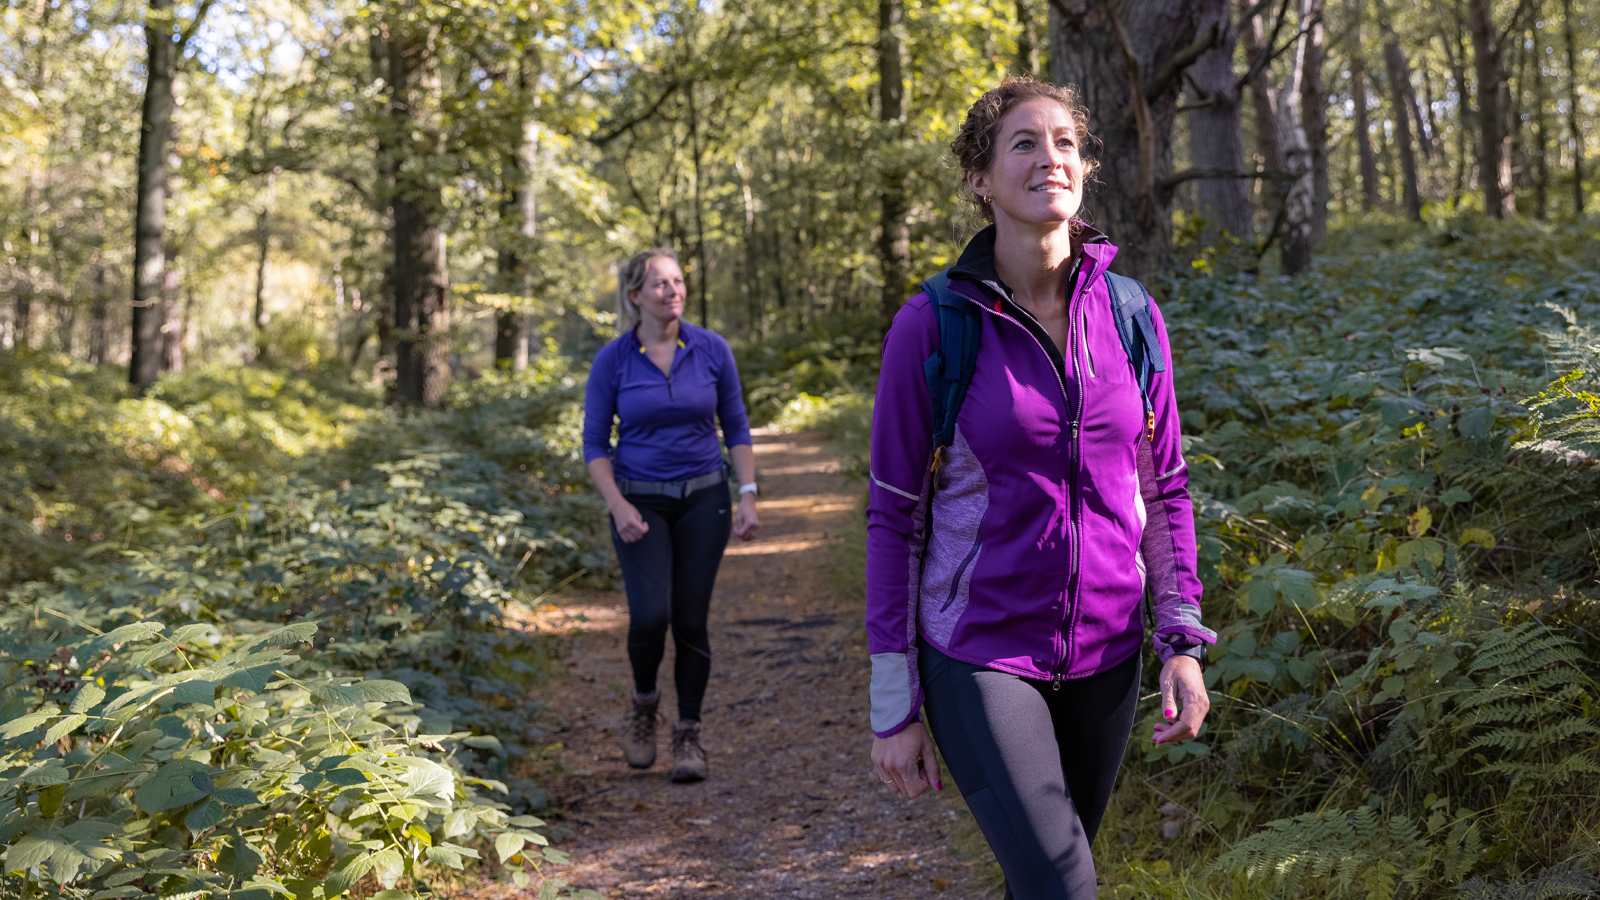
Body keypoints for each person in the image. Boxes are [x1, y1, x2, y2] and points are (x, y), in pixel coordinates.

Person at [863, 76, 1215, 898]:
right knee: (1064, 883)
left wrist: (1181, 641)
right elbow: (894, 520)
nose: (1050, 157)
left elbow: (1164, 490)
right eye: (1023, 143)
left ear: (1084, 167)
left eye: (1065, 142)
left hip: (1108, 653)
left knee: (1048, 882)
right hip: (980, 650)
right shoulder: (935, 325)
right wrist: (893, 703)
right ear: (980, 179)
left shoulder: (1131, 315)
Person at [583, 247, 760, 784]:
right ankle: (644, 703)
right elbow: (594, 444)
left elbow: (736, 425)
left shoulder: (711, 349)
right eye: (660, 283)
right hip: (639, 502)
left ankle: (688, 732)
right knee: (648, 616)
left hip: (705, 498)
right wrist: (617, 505)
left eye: (678, 281)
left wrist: (747, 493)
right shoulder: (613, 360)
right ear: (635, 295)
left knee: (689, 619)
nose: (673, 290)